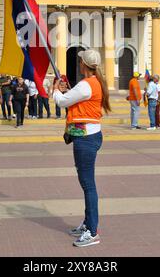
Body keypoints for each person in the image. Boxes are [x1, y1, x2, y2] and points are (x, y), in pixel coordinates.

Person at [53, 49, 111, 248]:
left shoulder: (86, 85)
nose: (78, 64)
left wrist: (55, 89)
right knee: (86, 182)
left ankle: (92, 231)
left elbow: (61, 102)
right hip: (90, 135)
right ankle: (87, 223)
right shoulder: (94, 83)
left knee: (88, 185)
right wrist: (67, 90)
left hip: (85, 138)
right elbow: (76, 99)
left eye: (80, 62)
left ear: (84, 65)